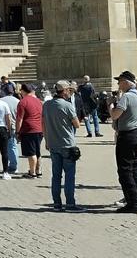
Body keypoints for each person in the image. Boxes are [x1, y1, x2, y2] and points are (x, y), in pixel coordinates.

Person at [109, 71, 137, 213]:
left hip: (127, 136)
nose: (118, 84)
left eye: (119, 81)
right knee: (136, 169)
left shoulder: (126, 97)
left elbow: (115, 115)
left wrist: (111, 106)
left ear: (126, 82)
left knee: (125, 171)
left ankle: (132, 204)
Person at [42, 80, 85, 212]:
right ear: (65, 91)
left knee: (56, 176)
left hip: (53, 144)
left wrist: (47, 140)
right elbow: (77, 124)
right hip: (67, 144)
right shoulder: (67, 105)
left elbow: (43, 123)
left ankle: (57, 204)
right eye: (69, 90)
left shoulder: (47, 105)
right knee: (69, 176)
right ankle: (70, 204)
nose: (70, 92)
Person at [16, 83, 44, 178]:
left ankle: (32, 173)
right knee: (37, 151)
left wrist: (17, 132)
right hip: (39, 129)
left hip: (28, 129)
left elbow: (20, 119)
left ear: (23, 91)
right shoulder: (38, 101)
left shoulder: (23, 102)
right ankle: (38, 170)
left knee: (31, 152)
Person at [0, 86, 20, 174]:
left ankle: (13, 166)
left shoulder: (1, 101)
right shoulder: (17, 101)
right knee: (13, 146)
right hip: (15, 125)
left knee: (8, 147)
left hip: (5, 126)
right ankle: (14, 165)